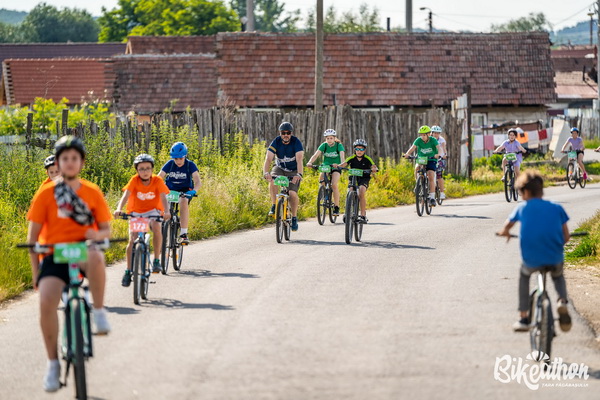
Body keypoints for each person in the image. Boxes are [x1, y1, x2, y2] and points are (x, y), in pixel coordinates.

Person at [25, 136, 112, 392]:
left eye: (75, 158)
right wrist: (36, 273)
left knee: (96, 255)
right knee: (46, 301)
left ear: (82, 162)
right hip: (54, 255)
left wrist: (97, 234)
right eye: (65, 158)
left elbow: (106, 230)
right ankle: (53, 363)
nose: (70, 162)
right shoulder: (45, 193)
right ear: (58, 163)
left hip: (83, 251)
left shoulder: (92, 192)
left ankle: (99, 312)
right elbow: (32, 239)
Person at [497, 171, 572, 333]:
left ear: (525, 192)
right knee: (558, 276)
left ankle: (523, 317)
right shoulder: (557, 207)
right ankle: (562, 301)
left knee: (524, 277)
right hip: (554, 257)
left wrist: (505, 232)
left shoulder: (522, 208)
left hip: (531, 259)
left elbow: (507, 225)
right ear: (541, 190)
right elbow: (566, 237)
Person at [115, 154, 171, 286]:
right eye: (141, 169)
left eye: (147, 168)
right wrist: (119, 209)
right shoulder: (134, 180)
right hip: (137, 212)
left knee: (157, 227)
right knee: (132, 239)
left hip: (153, 211)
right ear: (137, 170)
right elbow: (126, 195)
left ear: (152, 169)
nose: (145, 171)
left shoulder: (157, 180)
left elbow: (163, 197)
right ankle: (128, 270)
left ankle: (156, 260)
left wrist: (166, 211)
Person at [263, 122, 304, 231]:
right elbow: (268, 158)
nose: (286, 135)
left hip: (294, 171)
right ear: (280, 133)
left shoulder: (296, 142)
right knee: (272, 180)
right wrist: (266, 172)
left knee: (292, 194)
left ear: (291, 133)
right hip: (280, 168)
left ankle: (294, 217)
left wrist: (299, 174)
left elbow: (299, 160)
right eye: (283, 133)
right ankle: (274, 205)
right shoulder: (276, 141)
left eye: (288, 133)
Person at [158, 142, 201, 245]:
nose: (178, 161)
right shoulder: (170, 164)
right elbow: (159, 177)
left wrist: (194, 191)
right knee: (162, 206)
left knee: (183, 201)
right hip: (170, 190)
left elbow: (198, 181)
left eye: (180, 158)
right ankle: (162, 233)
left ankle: (183, 234)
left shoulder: (190, 165)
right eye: (175, 159)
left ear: (185, 156)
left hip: (185, 191)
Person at [306, 129, 346, 216]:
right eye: (327, 138)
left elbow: (342, 156)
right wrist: (310, 162)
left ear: (334, 138)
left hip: (336, 166)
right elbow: (316, 155)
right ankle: (323, 193)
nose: (329, 140)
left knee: (334, 184)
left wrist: (341, 164)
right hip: (326, 166)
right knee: (321, 178)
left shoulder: (339, 145)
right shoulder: (324, 145)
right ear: (325, 139)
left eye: (331, 138)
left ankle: (336, 207)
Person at [339, 139, 378, 222]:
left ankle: (363, 215)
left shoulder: (367, 159)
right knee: (350, 190)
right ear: (354, 149)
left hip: (364, 177)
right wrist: (338, 166)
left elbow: (373, 166)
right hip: (353, 177)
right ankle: (347, 212)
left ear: (364, 150)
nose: (359, 151)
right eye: (357, 149)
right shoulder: (352, 158)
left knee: (361, 191)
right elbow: (344, 164)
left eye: (361, 149)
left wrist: (374, 169)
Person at [403, 125, 440, 207]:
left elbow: (438, 148)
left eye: (424, 135)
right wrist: (407, 154)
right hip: (421, 158)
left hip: (431, 159)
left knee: (431, 175)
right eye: (421, 135)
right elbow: (413, 148)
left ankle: (432, 197)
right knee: (417, 168)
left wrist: (438, 154)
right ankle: (418, 184)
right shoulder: (418, 140)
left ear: (428, 134)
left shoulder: (433, 140)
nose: (422, 136)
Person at [430, 125, 447, 200]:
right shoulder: (429, 139)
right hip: (431, 157)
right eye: (435, 133)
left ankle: (442, 192)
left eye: (437, 133)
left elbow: (443, 148)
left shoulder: (441, 140)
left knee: (439, 175)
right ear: (432, 133)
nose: (436, 134)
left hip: (440, 158)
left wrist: (444, 154)